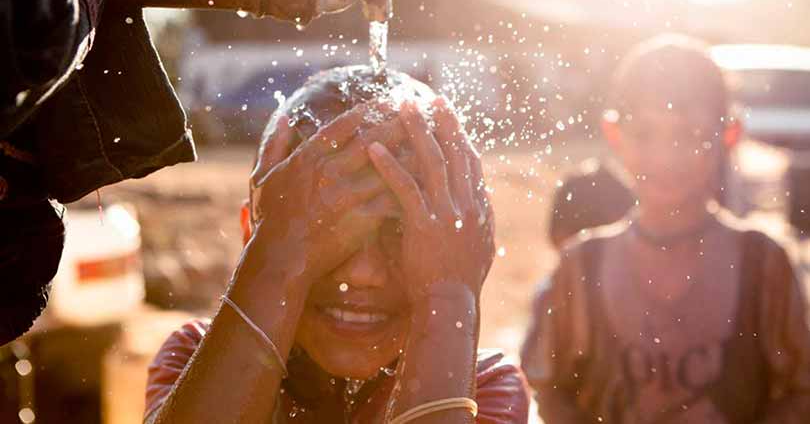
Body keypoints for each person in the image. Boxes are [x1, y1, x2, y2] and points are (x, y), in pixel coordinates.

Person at [144, 66, 530, 424]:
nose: (363, 274)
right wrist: (274, 262)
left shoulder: (485, 385)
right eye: (327, 233)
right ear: (253, 237)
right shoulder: (196, 358)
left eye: (398, 232)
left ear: (457, 249)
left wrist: (449, 295)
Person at [521, 34, 810, 423]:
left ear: (728, 135)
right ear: (614, 135)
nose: (665, 156)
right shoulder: (581, 267)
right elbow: (550, 389)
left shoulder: (764, 265)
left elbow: (800, 390)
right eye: (644, 134)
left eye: (688, 135)